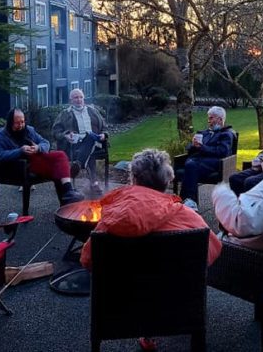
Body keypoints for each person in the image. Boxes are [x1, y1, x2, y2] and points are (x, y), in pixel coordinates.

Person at [79, 148, 222, 352]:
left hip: (122, 304)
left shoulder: (111, 222)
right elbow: (211, 251)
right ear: (166, 182)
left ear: (133, 179)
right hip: (176, 301)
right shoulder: (191, 219)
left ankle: (143, 328)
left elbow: (87, 260)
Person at [0, 108, 84, 206]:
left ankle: (68, 195)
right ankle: (68, 180)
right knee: (59, 168)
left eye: (22, 122)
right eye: (17, 123)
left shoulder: (29, 130)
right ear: (10, 122)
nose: (21, 125)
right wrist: (20, 151)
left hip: (35, 161)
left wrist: (38, 147)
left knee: (60, 156)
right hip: (17, 166)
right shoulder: (0, 135)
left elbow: (46, 143)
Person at [52, 88, 108, 195]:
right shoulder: (65, 114)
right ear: (71, 100)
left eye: (81, 97)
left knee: (90, 136)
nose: (79, 100)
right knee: (89, 152)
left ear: (84, 98)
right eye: (76, 97)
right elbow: (55, 131)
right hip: (74, 145)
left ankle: (78, 164)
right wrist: (66, 135)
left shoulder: (93, 111)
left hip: (95, 142)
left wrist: (103, 135)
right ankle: (94, 183)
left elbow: (104, 127)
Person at [180, 106, 235, 203]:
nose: (208, 121)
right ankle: (188, 201)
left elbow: (222, 152)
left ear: (220, 119)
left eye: (211, 118)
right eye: (208, 118)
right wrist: (193, 145)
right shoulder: (204, 133)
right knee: (190, 165)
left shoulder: (226, 134)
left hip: (215, 163)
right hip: (199, 160)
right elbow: (188, 148)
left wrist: (202, 147)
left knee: (190, 165)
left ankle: (189, 201)